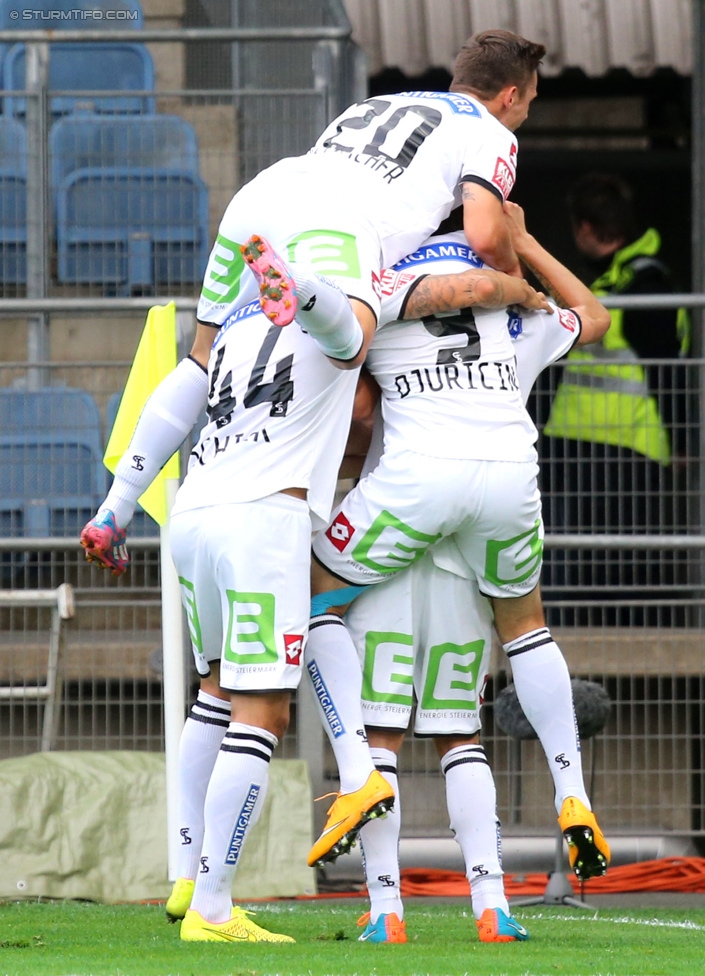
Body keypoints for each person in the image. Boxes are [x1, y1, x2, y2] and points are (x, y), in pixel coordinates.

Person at [80, 248, 547, 942]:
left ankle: (187, 874)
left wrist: (115, 508)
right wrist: (511, 285)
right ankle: (217, 904)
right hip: (263, 517)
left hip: (195, 511)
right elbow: (357, 376)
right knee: (262, 706)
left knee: (213, 691)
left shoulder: (230, 325)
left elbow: (172, 398)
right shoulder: (340, 302)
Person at [304, 203, 612, 889]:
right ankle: (572, 794)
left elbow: (355, 408)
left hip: (416, 482)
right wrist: (527, 243)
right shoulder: (518, 303)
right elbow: (594, 318)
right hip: (507, 476)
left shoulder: (384, 288)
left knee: (311, 599)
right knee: (525, 629)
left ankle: (358, 782)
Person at [542, 172, 689, 624]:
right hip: (583, 443)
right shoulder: (615, 282)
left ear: (586, 228)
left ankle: (602, 637)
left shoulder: (642, 285)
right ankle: (571, 637)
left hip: (623, 446)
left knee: (606, 556)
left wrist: (682, 438)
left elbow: (669, 373)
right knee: (586, 553)